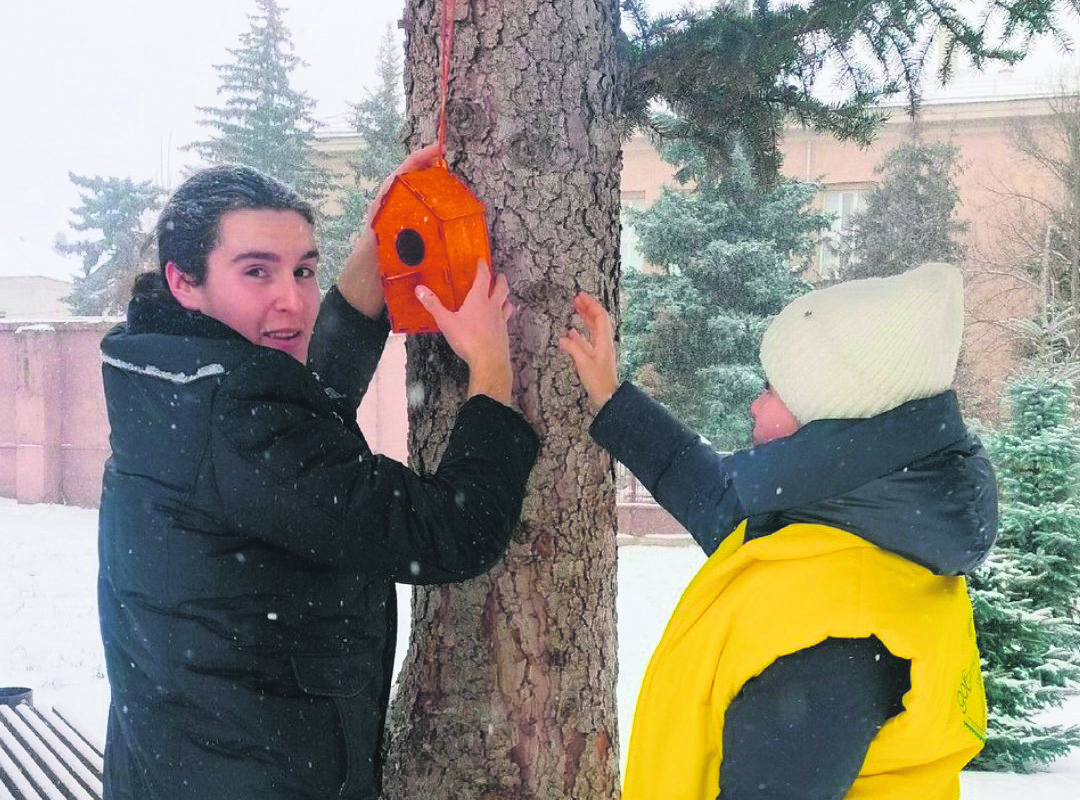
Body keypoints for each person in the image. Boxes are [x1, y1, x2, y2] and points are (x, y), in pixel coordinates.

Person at [98, 145, 539, 800]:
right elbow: (452, 531)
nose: (292, 301)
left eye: (304, 270)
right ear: (184, 280)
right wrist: (492, 369)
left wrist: (371, 256)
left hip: (178, 765)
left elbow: (306, 416)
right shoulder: (239, 413)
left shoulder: (168, 377)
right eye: (257, 271)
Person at [560, 263, 997, 800]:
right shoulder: (849, 531)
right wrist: (611, 397)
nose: (755, 404)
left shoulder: (837, 633)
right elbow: (713, 494)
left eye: (773, 390)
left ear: (829, 422)